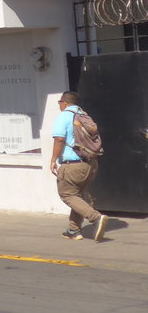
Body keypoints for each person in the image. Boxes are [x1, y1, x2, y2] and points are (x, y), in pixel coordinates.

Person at [51, 91, 108, 241]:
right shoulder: (83, 114)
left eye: (59, 103)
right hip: (90, 164)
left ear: (64, 102)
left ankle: (96, 218)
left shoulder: (64, 116)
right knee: (77, 196)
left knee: (67, 194)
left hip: (72, 166)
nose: (59, 105)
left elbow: (58, 139)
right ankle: (73, 230)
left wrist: (52, 161)